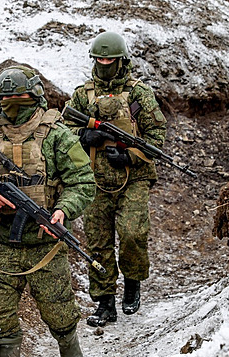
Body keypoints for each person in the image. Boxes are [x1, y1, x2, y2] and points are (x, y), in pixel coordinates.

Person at [0, 66, 95, 357]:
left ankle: (68, 344)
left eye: (18, 99)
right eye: (5, 100)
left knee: (57, 305)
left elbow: (83, 182)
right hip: (1, 242)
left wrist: (62, 211)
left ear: (34, 96)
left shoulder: (56, 135)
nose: (11, 106)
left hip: (45, 243)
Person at [64, 31, 167, 327]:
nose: (104, 63)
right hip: (94, 179)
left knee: (133, 233)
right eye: (99, 59)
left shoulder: (138, 94)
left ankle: (132, 282)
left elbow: (156, 136)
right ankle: (105, 303)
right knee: (98, 242)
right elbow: (62, 132)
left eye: (109, 59)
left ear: (121, 61)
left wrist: (131, 157)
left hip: (133, 177)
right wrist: (84, 135)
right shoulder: (83, 95)